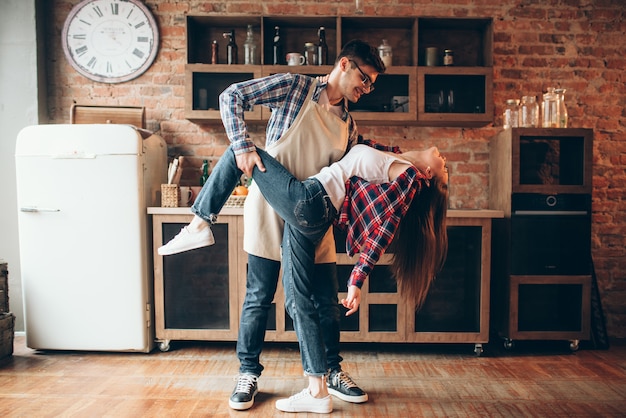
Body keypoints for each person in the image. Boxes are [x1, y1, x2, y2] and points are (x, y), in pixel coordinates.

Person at [158, 143, 449, 413]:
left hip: (310, 201)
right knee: (297, 298)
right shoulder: (394, 157)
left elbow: (384, 230)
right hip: (313, 212)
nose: (445, 160)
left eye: (444, 171)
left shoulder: (410, 177)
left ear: (426, 175)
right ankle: (317, 389)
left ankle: (199, 224)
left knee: (242, 149)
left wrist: (357, 279)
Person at [221, 39, 391, 410]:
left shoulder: (349, 124)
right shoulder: (296, 88)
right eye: (365, 79)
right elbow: (232, 95)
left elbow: (345, 179)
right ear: (344, 65)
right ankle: (247, 373)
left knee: (325, 303)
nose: (367, 88)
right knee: (258, 297)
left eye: (372, 84)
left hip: (312, 218)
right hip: (269, 205)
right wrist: (240, 145)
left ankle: (331, 372)